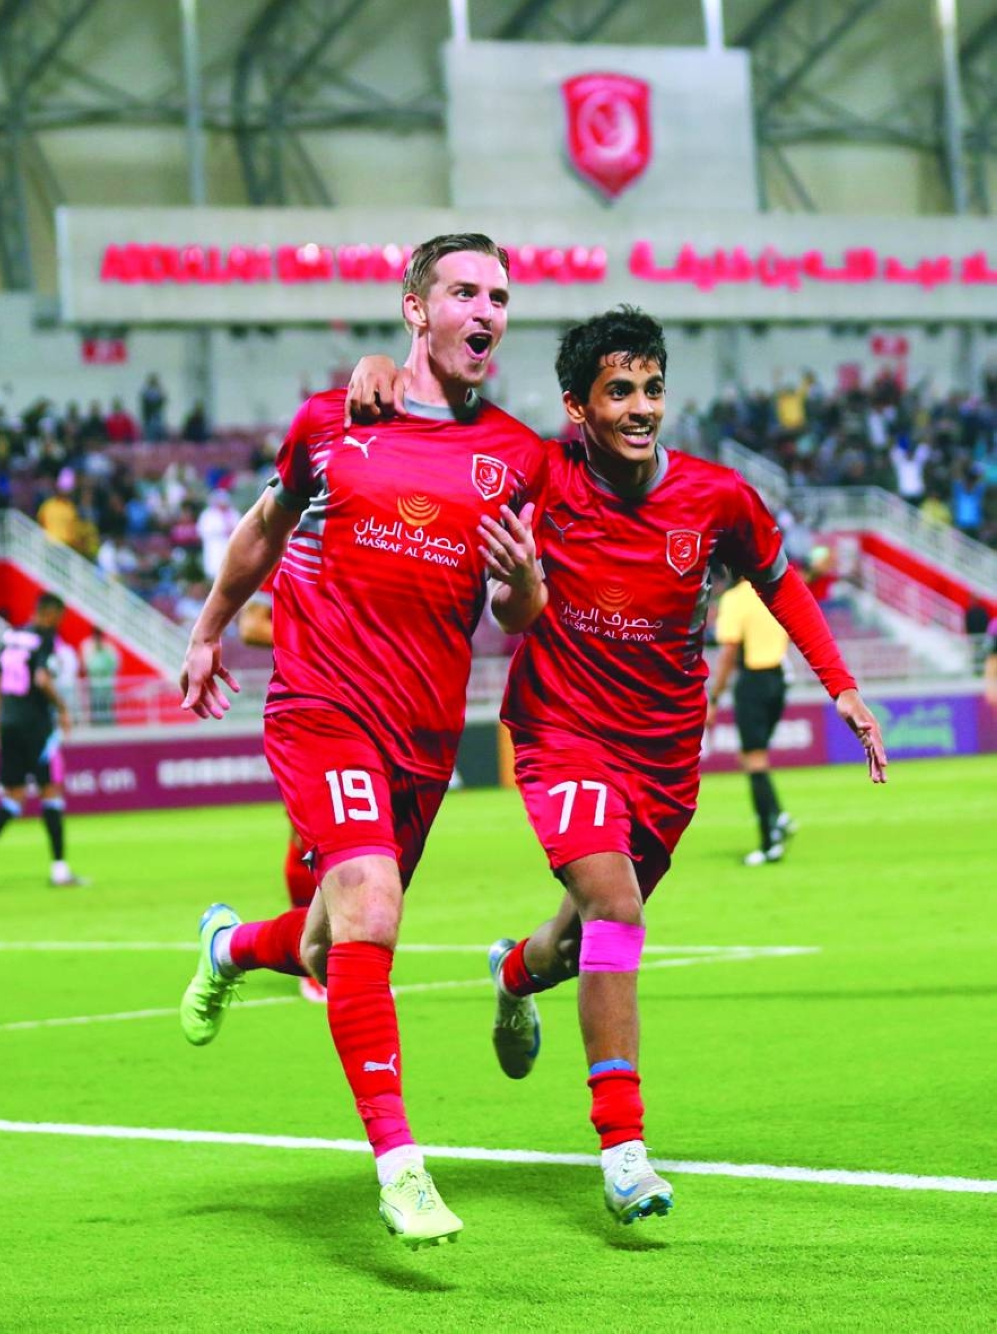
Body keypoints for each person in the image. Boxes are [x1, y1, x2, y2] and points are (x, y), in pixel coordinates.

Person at [347, 307, 886, 1228]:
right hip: (561, 733)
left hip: (667, 754)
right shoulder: (538, 472)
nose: (641, 408)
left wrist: (839, 683)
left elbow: (781, 580)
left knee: (581, 940)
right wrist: (376, 372)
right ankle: (623, 1149)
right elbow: (443, 420)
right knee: (616, 906)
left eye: (652, 389)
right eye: (620, 392)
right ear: (577, 408)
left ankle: (515, 974)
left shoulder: (716, 499)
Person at [177, 233, 548, 1249]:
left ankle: (226, 944)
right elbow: (263, 524)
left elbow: (519, 610)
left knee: (322, 938)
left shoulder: (518, 456)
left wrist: (521, 577)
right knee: (371, 904)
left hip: (423, 734)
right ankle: (401, 1167)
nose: (487, 310)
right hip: (321, 702)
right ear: (416, 309)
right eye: (465, 291)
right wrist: (210, 627)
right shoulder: (335, 419)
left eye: (501, 296)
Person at [236, 584, 326, 1003]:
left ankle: (338, 950)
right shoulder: (288, 549)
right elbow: (251, 627)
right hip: (306, 708)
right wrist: (325, 639)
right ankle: (312, 961)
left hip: (365, 705)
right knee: (308, 833)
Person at [0, 593, 89, 886]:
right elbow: (41, 679)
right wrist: (62, 709)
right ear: (50, 614)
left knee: (12, 798)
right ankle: (60, 870)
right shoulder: (44, 637)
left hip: (8, 722)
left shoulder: (10, 636)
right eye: (59, 618)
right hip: (35, 726)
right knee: (51, 791)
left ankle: (60, 870)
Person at [707, 574, 796, 865]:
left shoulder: (735, 599)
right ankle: (778, 817)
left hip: (753, 681)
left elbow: (729, 651)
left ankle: (770, 843)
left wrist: (715, 697)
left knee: (754, 760)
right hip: (779, 679)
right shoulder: (772, 593)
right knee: (754, 757)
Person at [81, 628, 120, 725]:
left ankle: (108, 723)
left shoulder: (108, 647)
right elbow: (88, 666)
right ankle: (96, 724)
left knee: (107, 707)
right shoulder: (88, 647)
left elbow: (115, 664)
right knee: (96, 707)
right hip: (94, 684)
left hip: (106, 685)